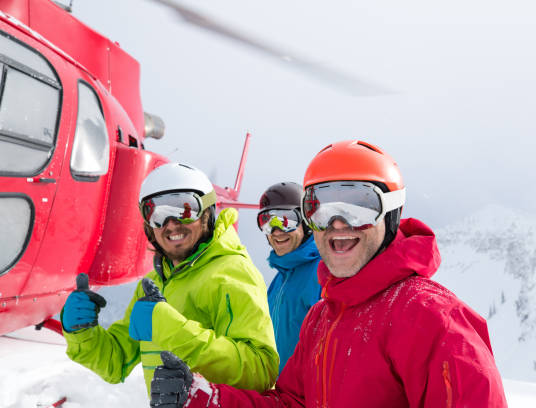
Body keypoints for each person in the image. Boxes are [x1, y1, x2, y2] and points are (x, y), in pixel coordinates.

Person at [149, 141, 508, 408]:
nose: (337, 224)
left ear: (391, 212)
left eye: (357, 206)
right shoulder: (324, 318)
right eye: (320, 208)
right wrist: (206, 398)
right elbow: (294, 404)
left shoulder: (432, 318)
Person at [60, 162, 279, 395]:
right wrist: (81, 332)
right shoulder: (155, 282)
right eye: (157, 214)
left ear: (207, 213)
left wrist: (172, 329)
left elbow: (260, 372)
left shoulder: (231, 272)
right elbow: (115, 362)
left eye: (185, 210)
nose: (171, 224)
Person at [257, 182, 321, 374]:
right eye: (267, 222)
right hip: (280, 395)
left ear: (306, 222)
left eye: (287, 220)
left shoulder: (322, 272)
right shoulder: (280, 279)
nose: (277, 231)